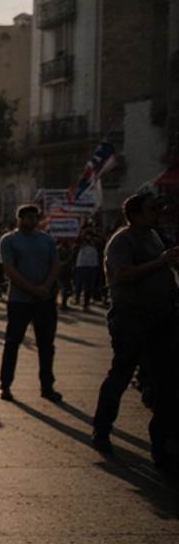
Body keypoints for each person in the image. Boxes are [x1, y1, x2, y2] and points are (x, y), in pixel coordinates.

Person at [91, 192, 179, 464]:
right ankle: (102, 429)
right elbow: (124, 275)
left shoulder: (153, 237)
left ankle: (161, 443)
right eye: (152, 209)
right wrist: (161, 261)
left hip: (162, 319)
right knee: (121, 373)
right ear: (136, 215)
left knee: (167, 380)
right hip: (131, 319)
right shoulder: (122, 240)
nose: (158, 213)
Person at [0, 204, 61, 403]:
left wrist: (45, 288)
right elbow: (9, 270)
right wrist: (33, 289)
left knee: (46, 345)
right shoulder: (9, 241)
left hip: (44, 300)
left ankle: (47, 385)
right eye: (28, 218)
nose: (32, 221)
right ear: (20, 219)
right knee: (12, 343)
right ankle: (5, 384)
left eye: (35, 218)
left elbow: (55, 265)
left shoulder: (46, 239)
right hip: (20, 300)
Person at [74, 231, 101, 312]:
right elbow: (75, 246)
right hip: (81, 265)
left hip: (92, 266)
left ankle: (86, 303)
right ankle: (77, 298)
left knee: (88, 286)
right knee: (79, 283)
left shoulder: (96, 243)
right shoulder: (80, 244)